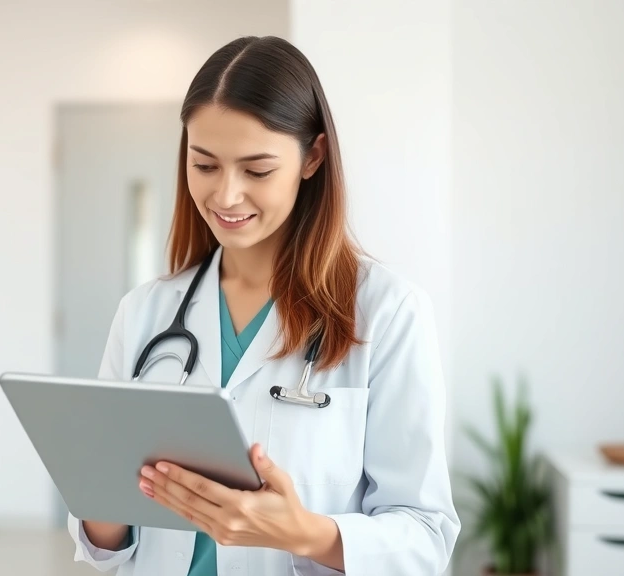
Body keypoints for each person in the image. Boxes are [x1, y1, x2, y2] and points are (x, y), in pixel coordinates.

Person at [67, 35, 460, 575]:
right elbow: (107, 547)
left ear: (312, 157)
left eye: (256, 171)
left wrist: (303, 533)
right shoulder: (144, 314)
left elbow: (425, 538)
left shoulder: (388, 313)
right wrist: (102, 504)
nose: (226, 196)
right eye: (205, 165)